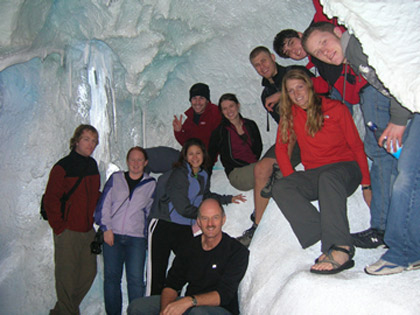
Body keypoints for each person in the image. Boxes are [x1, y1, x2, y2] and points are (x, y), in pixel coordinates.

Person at [301, 22, 412, 249]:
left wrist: (399, 119)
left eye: (324, 43)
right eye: (318, 53)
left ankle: (388, 231)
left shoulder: (356, 48)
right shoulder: (351, 56)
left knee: (391, 159)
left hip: (389, 101)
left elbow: (402, 72)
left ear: (338, 31)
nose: (325, 52)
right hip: (387, 100)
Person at [271, 69, 371, 274]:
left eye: (300, 87)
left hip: (345, 169)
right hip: (316, 173)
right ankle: (322, 230)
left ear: (309, 86)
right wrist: (292, 179)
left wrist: (366, 184)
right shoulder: (290, 115)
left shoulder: (336, 108)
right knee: (281, 186)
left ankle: (341, 247)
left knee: (328, 177)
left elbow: (356, 146)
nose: (297, 94)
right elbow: (281, 148)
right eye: (290, 91)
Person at [146, 138, 245, 296]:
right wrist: (205, 216)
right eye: (190, 154)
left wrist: (228, 199)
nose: (194, 157)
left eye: (198, 153)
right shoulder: (179, 174)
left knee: (187, 266)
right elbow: (182, 207)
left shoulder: (203, 174)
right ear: (185, 156)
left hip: (184, 228)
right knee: (156, 274)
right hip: (164, 225)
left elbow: (206, 196)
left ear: (203, 155)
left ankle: (176, 307)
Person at [127, 198, 249, 315]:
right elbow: (171, 285)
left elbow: (223, 295)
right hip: (190, 306)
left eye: (215, 218)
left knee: (198, 313)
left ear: (223, 219)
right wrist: (166, 310)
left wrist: (188, 302)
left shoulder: (237, 251)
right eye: (205, 218)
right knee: (137, 307)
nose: (210, 224)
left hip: (220, 309)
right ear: (199, 221)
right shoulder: (189, 247)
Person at [246, 46, 305, 246]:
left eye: (263, 61)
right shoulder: (265, 95)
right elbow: (284, 123)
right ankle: (258, 226)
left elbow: (310, 86)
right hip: (292, 139)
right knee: (261, 168)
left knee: (291, 125)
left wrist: (281, 95)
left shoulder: (293, 73)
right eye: (256, 66)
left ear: (272, 57)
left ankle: (280, 172)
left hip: (310, 133)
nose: (261, 67)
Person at [43, 124, 101, 314]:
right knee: (66, 279)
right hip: (67, 231)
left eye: (94, 141)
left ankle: (62, 311)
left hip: (87, 230)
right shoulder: (62, 167)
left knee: (88, 274)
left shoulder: (92, 166)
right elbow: (51, 199)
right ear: (76, 141)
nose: (90, 144)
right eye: (86, 139)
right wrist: (60, 227)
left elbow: (94, 196)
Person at [273, 0, 367, 114]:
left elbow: (323, 7)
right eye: (289, 53)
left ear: (299, 34)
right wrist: (289, 91)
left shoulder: (318, 29)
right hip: (351, 94)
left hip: (364, 81)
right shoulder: (315, 61)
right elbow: (324, 84)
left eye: (291, 43)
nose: (294, 51)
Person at [94, 147, 156, 315]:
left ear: (145, 163)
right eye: (132, 160)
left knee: (135, 280)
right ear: (127, 162)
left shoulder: (151, 184)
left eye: (139, 160)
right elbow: (104, 204)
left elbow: (151, 213)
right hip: (112, 235)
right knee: (112, 279)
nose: (136, 164)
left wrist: (146, 237)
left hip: (136, 239)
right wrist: (106, 228)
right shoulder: (116, 179)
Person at [145, 82, 222, 174]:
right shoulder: (191, 118)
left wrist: (205, 163)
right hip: (186, 159)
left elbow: (219, 142)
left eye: (201, 98)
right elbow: (186, 142)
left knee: (166, 180)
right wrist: (179, 131)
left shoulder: (216, 114)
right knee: (148, 155)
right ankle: (137, 180)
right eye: (194, 98)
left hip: (199, 163)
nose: (197, 102)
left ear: (207, 100)